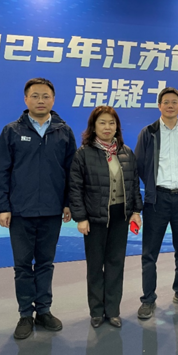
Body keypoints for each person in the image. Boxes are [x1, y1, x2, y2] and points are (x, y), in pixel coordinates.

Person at [0, 78, 77, 339]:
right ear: (26, 99)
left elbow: (72, 172)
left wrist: (68, 202)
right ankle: (25, 315)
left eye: (45, 96)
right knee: (22, 266)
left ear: (53, 99)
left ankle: (44, 310)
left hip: (52, 210)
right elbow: (1, 171)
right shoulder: (11, 131)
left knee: (45, 263)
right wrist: (2, 206)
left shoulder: (64, 131)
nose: (41, 101)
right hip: (20, 211)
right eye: (35, 96)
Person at [68, 106, 143, 329]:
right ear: (93, 126)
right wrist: (81, 218)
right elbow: (75, 188)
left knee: (115, 264)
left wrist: (136, 211)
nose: (107, 127)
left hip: (120, 216)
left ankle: (112, 310)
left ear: (117, 127)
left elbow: (134, 184)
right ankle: (96, 312)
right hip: (94, 219)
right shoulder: (83, 154)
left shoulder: (126, 153)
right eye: (102, 122)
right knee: (95, 266)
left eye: (111, 123)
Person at [135, 87, 178, 319]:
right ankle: (148, 299)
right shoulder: (149, 132)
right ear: (159, 106)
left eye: (174, 102)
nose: (170, 105)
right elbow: (140, 165)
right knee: (149, 253)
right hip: (157, 200)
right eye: (166, 102)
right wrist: (155, 187)